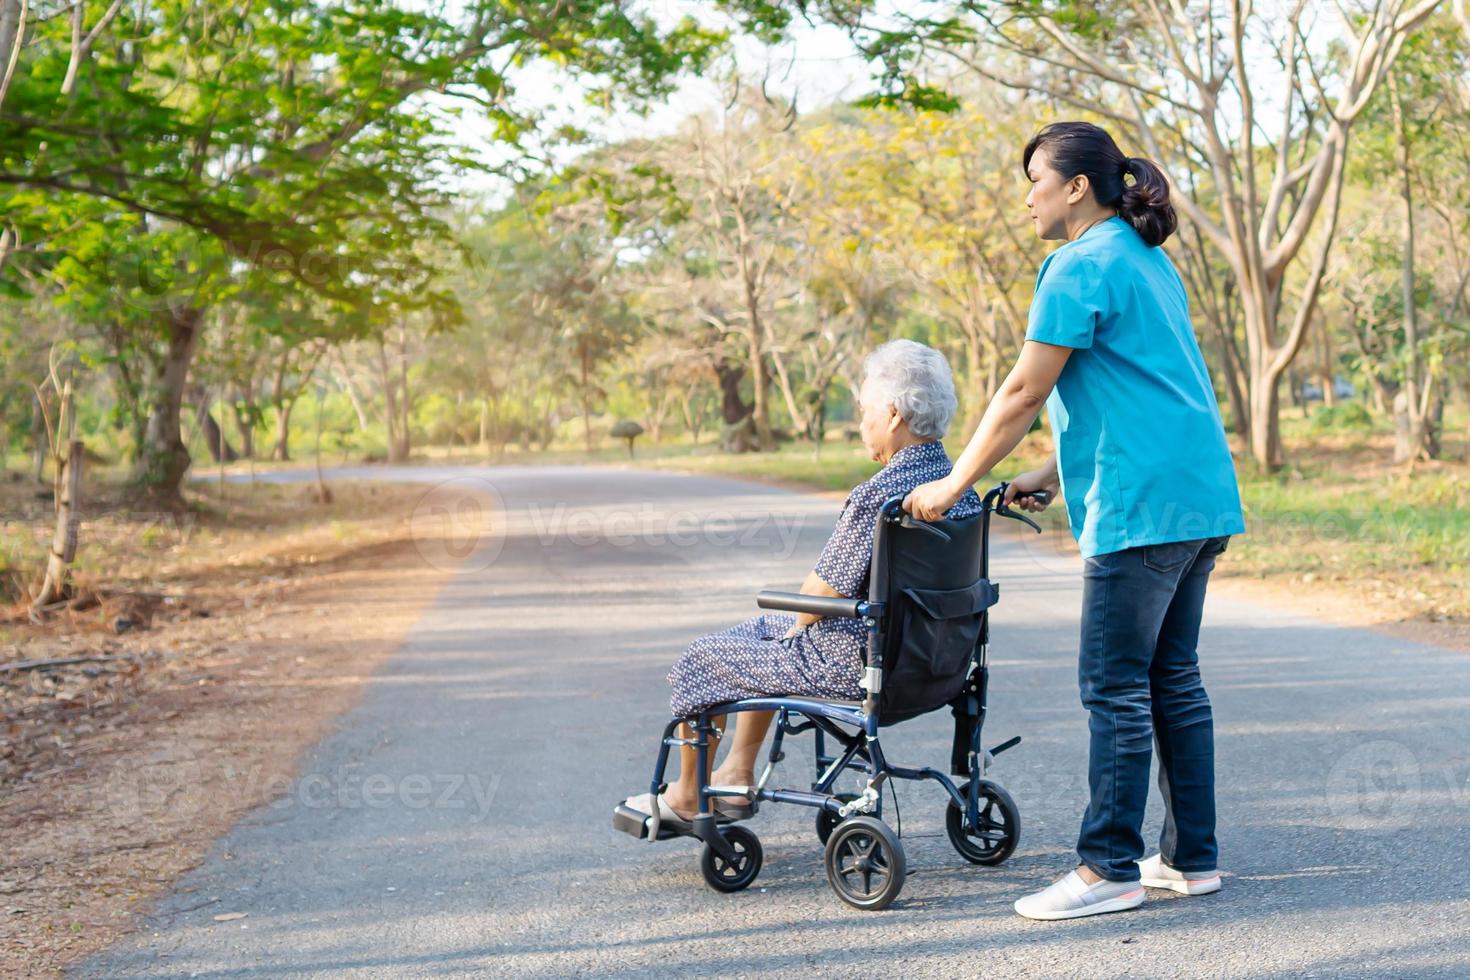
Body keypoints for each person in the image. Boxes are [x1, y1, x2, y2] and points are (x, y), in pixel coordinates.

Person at [904, 121, 1245, 920]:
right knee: (1173, 680)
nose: (1027, 197)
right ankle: (1191, 860)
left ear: (1075, 188)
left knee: (1115, 684)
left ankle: (1107, 869)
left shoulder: (1075, 265)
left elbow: (1023, 392)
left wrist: (953, 481)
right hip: (1197, 496)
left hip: (1142, 509)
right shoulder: (1146, 258)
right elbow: (1144, 385)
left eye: (1035, 180)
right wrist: (1053, 469)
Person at [623, 340, 982, 829]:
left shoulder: (878, 498)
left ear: (894, 414)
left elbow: (817, 600)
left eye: (864, 414)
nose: (861, 426)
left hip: (854, 663)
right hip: (936, 663)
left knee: (702, 657)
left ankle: (687, 795)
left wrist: (799, 621)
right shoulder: (961, 490)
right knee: (758, 634)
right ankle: (736, 771)